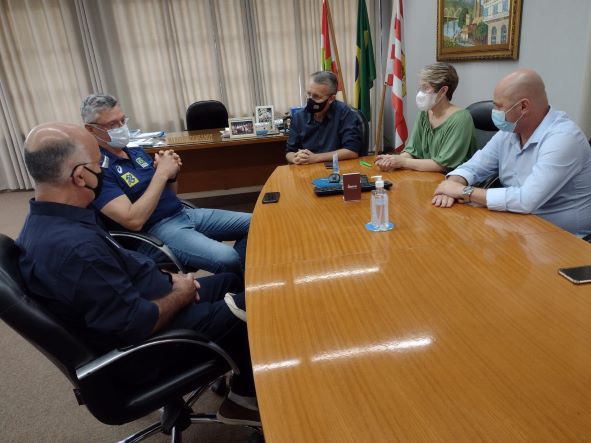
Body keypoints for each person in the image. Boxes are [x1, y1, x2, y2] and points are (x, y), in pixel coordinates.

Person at [16, 122, 259, 426]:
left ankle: (240, 370)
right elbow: (135, 324)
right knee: (260, 302)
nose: (104, 170)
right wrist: (180, 293)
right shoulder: (75, 249)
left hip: (150, 298)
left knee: (231, 280)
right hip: (152, 342)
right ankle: (241, 402)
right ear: (80, 176)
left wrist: (170, 279)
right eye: (98, 163)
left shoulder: (55, 219)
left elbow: (120, 265)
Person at [81, 94, 250, 278]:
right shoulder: (97, 170)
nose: (121, 128)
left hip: (183, 213)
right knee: (227, 258)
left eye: (123, 120)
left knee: (255, 224)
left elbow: (170, 194)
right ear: (90, 129)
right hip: (159, 229)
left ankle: (236, 283)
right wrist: (161, 174)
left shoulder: (135, 151)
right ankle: (238, 290)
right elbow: (133, 221)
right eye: (112, 125)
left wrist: (171, 175)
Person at [432, 68, 591, 237]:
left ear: (523, 106)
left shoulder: (563, 139)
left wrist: (463, 192)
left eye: (499, 106)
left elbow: (526, 200)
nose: (494, 112)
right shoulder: (509, 133)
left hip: (563, 240)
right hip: (517, 225)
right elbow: (475, 166)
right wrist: (452, 185)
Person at [375, 62, 476, 173]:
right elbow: (413, 151)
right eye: (420, 88)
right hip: (427, 177)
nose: (420, 93)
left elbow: (442, 166)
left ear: (443, 91)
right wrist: (391, 160)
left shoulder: (461, 118)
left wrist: (402, 162)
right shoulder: (424, 113)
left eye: (425, 88)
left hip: (454, 182)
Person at [286, 71, 363, 164]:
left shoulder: (345, 113)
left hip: (338, 169)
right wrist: (295, 158)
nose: (310, 99)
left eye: (316, 96)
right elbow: (289, 152)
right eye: (309, 94)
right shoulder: (299, 117)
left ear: (331, 99)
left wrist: (315, 158)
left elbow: (352, 151)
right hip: (307, 170)